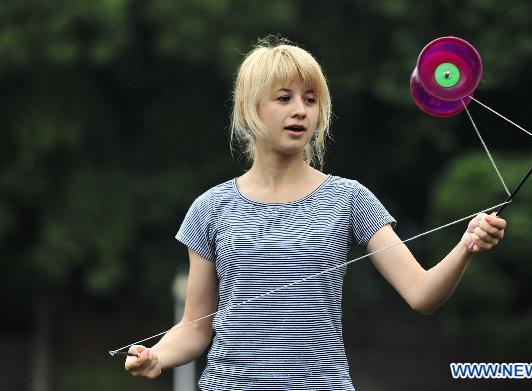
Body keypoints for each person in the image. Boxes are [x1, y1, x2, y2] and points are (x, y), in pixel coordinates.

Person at [123, 36, 506, 390]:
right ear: (249, 107)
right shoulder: (210, 208)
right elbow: (194, 327)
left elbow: (422, 294)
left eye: (310, 99)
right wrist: (157, 356)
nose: (300, 111)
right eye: (284, 98)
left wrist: (467, 245)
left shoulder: (349, 198)